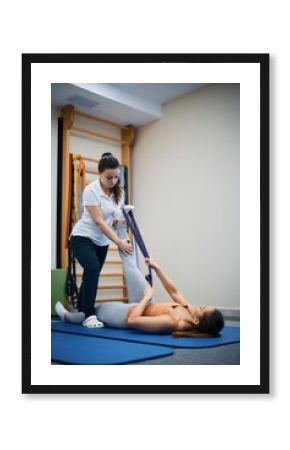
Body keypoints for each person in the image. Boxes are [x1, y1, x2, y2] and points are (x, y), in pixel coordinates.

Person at [56, 220, 224, 337]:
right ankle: (121, 228)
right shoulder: (188, 309)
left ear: (195, 320)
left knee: (91, 313)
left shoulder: (172, 322)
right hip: (145, 302)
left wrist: (146, 297)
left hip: (125, 314)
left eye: (201, 308)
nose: (199, 305)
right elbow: (174, 291)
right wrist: (157, 268)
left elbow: (132, 320)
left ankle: (67, 316)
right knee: (132, 266)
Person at [60, 153, 134, 329]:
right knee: (92, 268)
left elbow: (113, 218)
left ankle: (80, 310)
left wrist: (120, 223)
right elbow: (99, 221)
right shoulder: (90, 190)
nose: (113, 180)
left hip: (101, 241)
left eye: (116, 176)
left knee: (91, 274)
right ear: (100, 173)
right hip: (82, 237)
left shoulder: (120, 192)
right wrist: (119, 242)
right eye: (109, 177)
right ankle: (89, 314)